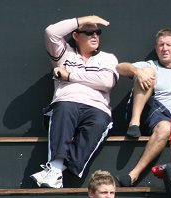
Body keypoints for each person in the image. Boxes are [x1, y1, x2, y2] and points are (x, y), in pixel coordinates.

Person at [30, 15, 119, 188]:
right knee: (64, 108)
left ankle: (55, 169)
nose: (95, 36)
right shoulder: (65, 55)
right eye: (88, 32)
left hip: (97, 107)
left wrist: (69, 75)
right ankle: (55, 170)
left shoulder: (108, 58)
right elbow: (51, 32)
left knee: (99, 122)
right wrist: (85, 18)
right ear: (76, 36)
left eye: (97, 32)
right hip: (67, 102)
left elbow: (107, 82)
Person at [116, 28, 171, 186]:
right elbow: (119, 67)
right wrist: (137, 71)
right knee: (147, 73)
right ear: (156, 49)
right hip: (157, 114)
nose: (164, 48)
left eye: (168, 44)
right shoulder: (151, 65)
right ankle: (133, 173)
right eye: (160, 45)